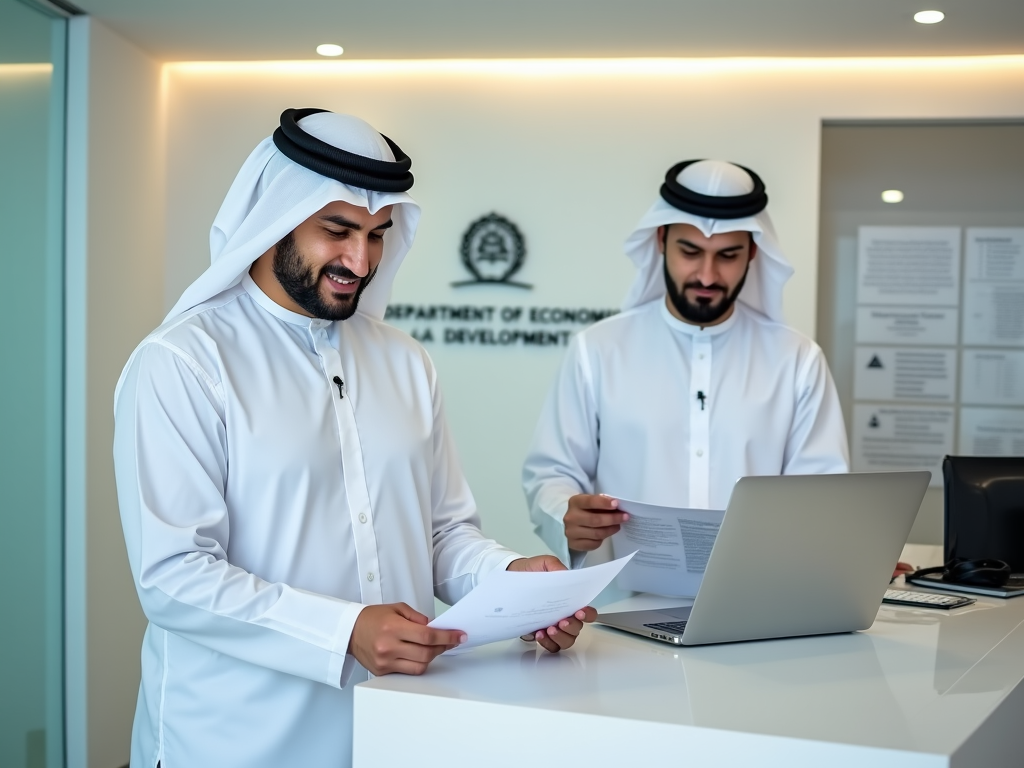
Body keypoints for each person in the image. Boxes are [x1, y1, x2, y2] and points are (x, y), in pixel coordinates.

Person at [113, 108, 595, 768]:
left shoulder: (405, 362)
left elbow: (440, 533)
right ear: (276, 219)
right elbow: (172, 576)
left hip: (391, 733)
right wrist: (344, 631)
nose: (360, 260)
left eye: (377, 234)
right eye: (336, 231)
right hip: (232, 743)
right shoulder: (185, 362)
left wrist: (512, 582)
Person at [522, 159, 850, 572]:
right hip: (621, 604)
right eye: (690, 251)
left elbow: (820, 497)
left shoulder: (797, 360)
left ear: (752, 252)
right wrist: (566, 512)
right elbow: (552, 472)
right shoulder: (598, 349)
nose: (708, 275)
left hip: (753, 599)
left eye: (728, 255)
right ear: (661, 240)